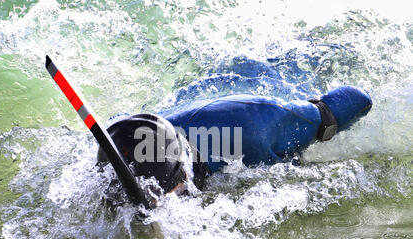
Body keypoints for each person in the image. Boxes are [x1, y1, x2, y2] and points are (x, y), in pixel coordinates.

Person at [97, 84, 373, 205]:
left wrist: (322, 130)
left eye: (169, 200)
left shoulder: (255, 127)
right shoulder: (114, 152)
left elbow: (356, 99)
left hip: (252, 100)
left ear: (182, 175)